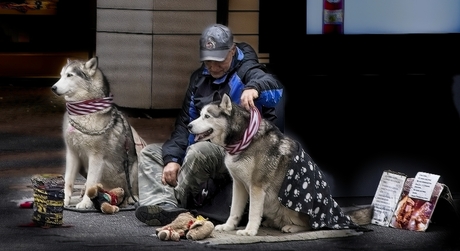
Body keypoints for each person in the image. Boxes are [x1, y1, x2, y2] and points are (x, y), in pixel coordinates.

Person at [135, 23, 284, 226]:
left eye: (219, 60)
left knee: (200, 152)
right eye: (208, 61)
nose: (213, 67)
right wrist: (172, 159)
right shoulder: (198, 79)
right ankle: (164, 205)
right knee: (150, 153)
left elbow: (273, 87)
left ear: (232, 51)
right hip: (203, 147)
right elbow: (184, 126)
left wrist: (254, 88)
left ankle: (171, 201)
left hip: (243, 152)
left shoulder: (247, 70)